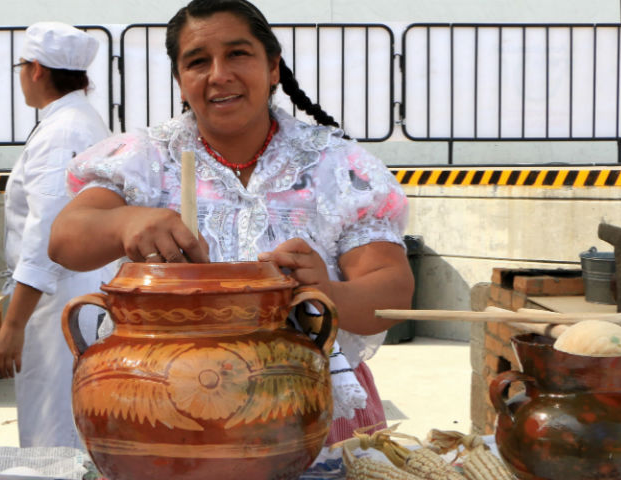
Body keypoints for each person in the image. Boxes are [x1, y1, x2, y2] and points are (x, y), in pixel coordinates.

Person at [49, 0, 413, 445]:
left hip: (311, 414)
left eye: (238, 54)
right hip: (168, 418)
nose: (219, 74)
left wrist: (324, 292)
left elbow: (393, 289)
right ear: (181, 82)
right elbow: (66, 239)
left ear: (273, 67)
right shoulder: (147, 158)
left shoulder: (335, 165)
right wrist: (127, 222)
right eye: (198, 62)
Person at [0, 22, 112, 448]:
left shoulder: (63, 133)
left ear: (36, 69)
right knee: (66, 422)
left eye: (22, 67)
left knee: (52, 432)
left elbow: (46, 237)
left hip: (55, 301)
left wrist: (13, 323)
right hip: (67, 296)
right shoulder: (77, 120)